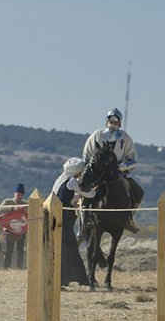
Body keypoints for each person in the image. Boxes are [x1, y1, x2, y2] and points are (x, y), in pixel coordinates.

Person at [82, 108, 144, 232]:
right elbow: (87, 155)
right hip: (98, 173)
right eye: (112, 121)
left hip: (118, 172)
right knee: (85, 189)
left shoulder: (125, 138)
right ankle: (84, 219)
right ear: (107, 121)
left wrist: (121, 167)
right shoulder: (97, 135)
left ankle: (127, 219)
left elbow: (132, 159)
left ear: (120, 123)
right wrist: (93, 168)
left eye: (117, 122)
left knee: (138, 192)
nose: (114, 123)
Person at [52, 157, 95, 287]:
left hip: (61, 218)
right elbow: (89, 195)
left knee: (67, 249)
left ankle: (67, 279)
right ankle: (78, 279)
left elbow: (68, 196)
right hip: (64, 219)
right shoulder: (71, 181)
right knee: (69, 249)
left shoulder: (62, 180)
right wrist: (94, 191)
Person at [0, 183, 27, 269]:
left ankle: (19, 267)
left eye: (21, 194)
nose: (19, 196)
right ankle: (7, 267)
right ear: (14, 193)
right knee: (9, 250)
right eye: (18, 194)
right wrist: (12, 208)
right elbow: (0, 209)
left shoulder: (25, 203)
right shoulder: (8, 202)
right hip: (10, 230)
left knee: (20, 250)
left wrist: (26, 209)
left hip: (21, 230)